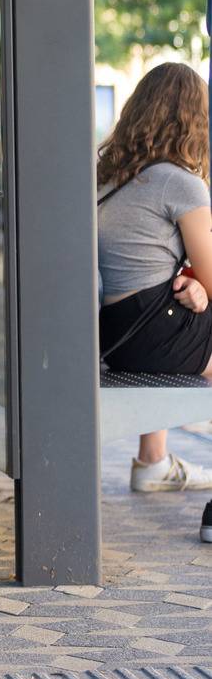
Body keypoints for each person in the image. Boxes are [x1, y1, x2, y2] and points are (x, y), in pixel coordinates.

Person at [97, 62, 212, 492]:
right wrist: (202, 283)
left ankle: (153, 462)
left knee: (177, 305)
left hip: (114, 332)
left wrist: (196, 284)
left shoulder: (104, 171)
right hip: (151, 336)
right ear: (193, 120)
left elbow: (146, 260)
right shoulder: (180, 183)